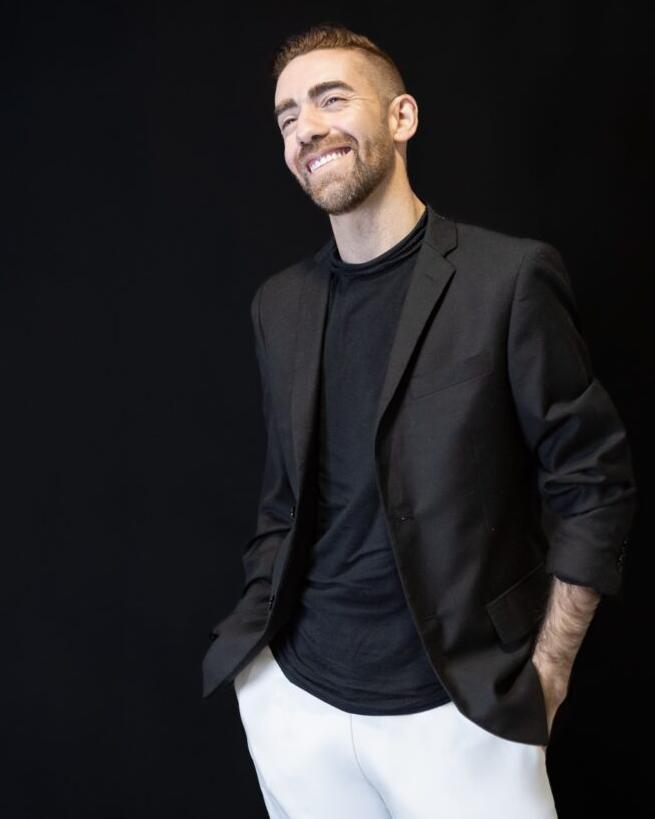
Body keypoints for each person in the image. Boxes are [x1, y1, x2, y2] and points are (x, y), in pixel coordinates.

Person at [201, 22, 638, 818]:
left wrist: (548, 670)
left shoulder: (508, 279)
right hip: (299, 705)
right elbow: (284, 497)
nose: (305, 128)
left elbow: (592, 479)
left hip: (460, 711)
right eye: (287, 115)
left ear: (400, 117)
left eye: (331, 99)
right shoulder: (279, 305)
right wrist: (260, 671)